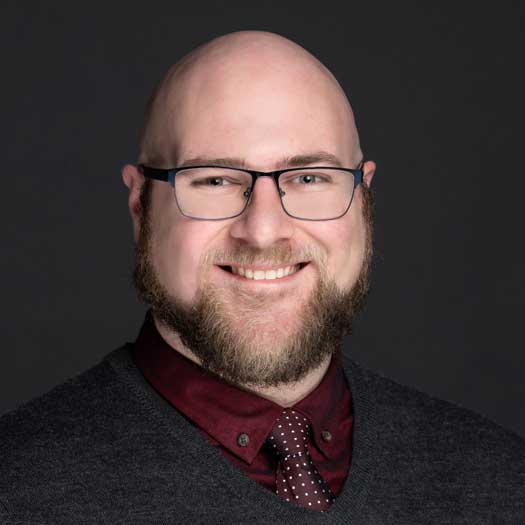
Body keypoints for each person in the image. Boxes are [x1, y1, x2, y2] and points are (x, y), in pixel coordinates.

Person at [1, 30, 523, 524]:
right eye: (215, 179)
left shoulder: (502, 479)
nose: (263, 229)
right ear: (141, 206)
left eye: (310, 177)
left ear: (364, 199)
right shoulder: (17, 490)